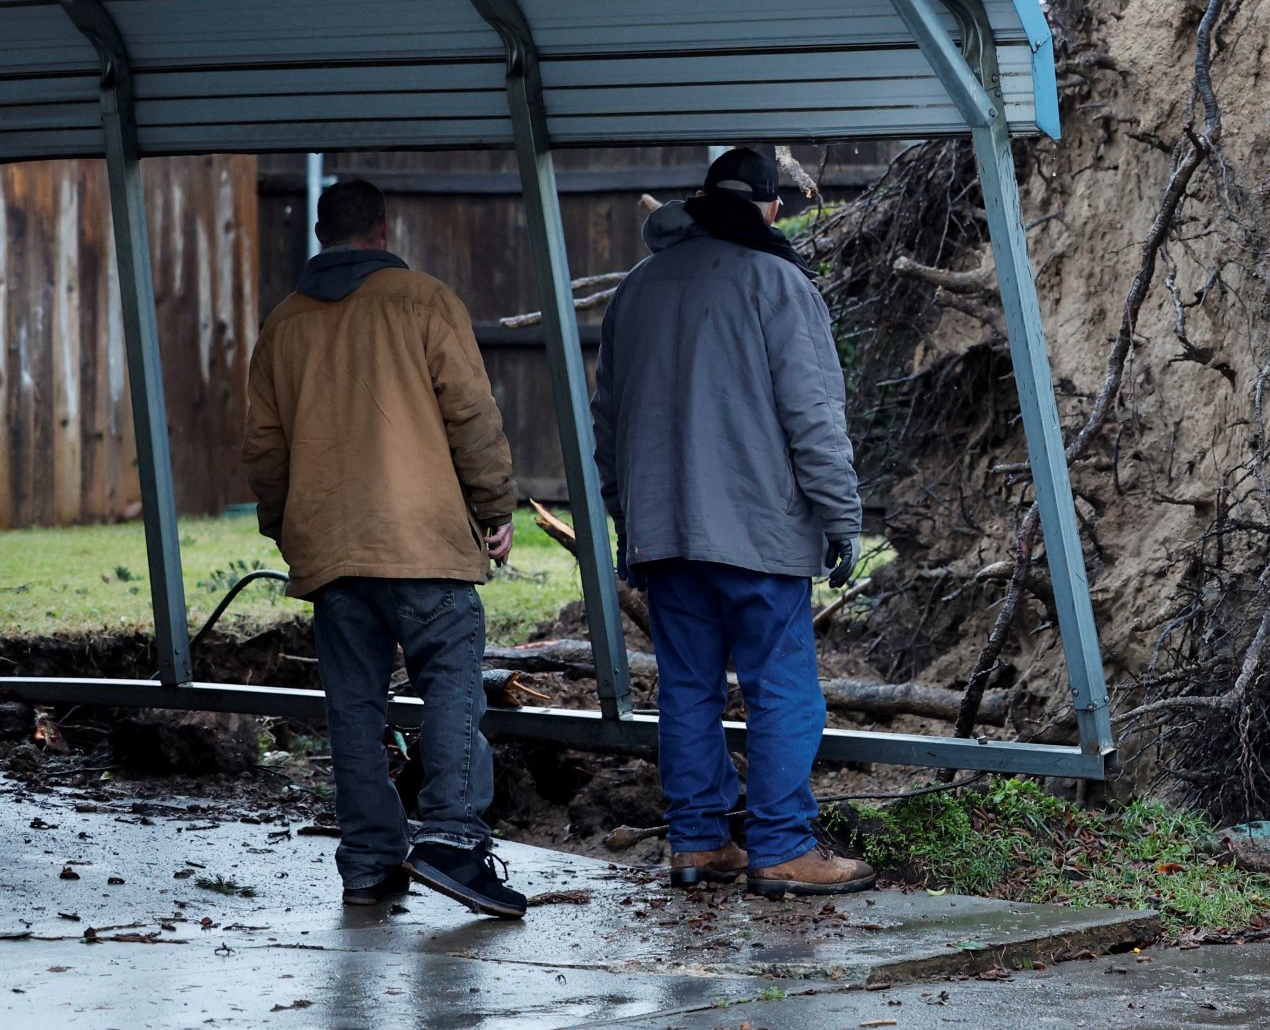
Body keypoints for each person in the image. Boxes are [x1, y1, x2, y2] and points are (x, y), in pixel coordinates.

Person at [243, 179, 526, 918]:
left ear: (317, 231)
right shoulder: (424, 300)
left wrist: (289, 524)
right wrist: (495, 507)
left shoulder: (283, 325)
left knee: (354, 708)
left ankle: (369, 859)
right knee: (452, 683)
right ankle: (452, 841)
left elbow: (265, 450)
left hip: (332, 550)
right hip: (424, 542)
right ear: (382, 228)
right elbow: (471, 414)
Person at [593, 146, 872, 895]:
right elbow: (813, 417)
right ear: (773, 208)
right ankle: (780, 844)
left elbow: (608, 425)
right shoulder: (779, 283)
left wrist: (629, 517)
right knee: (783, 690)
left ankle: (697, 842)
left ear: (700, 196)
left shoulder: (638, 288)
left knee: (688, 688)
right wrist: (842, 518)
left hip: (665, 536)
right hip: (758, 535)